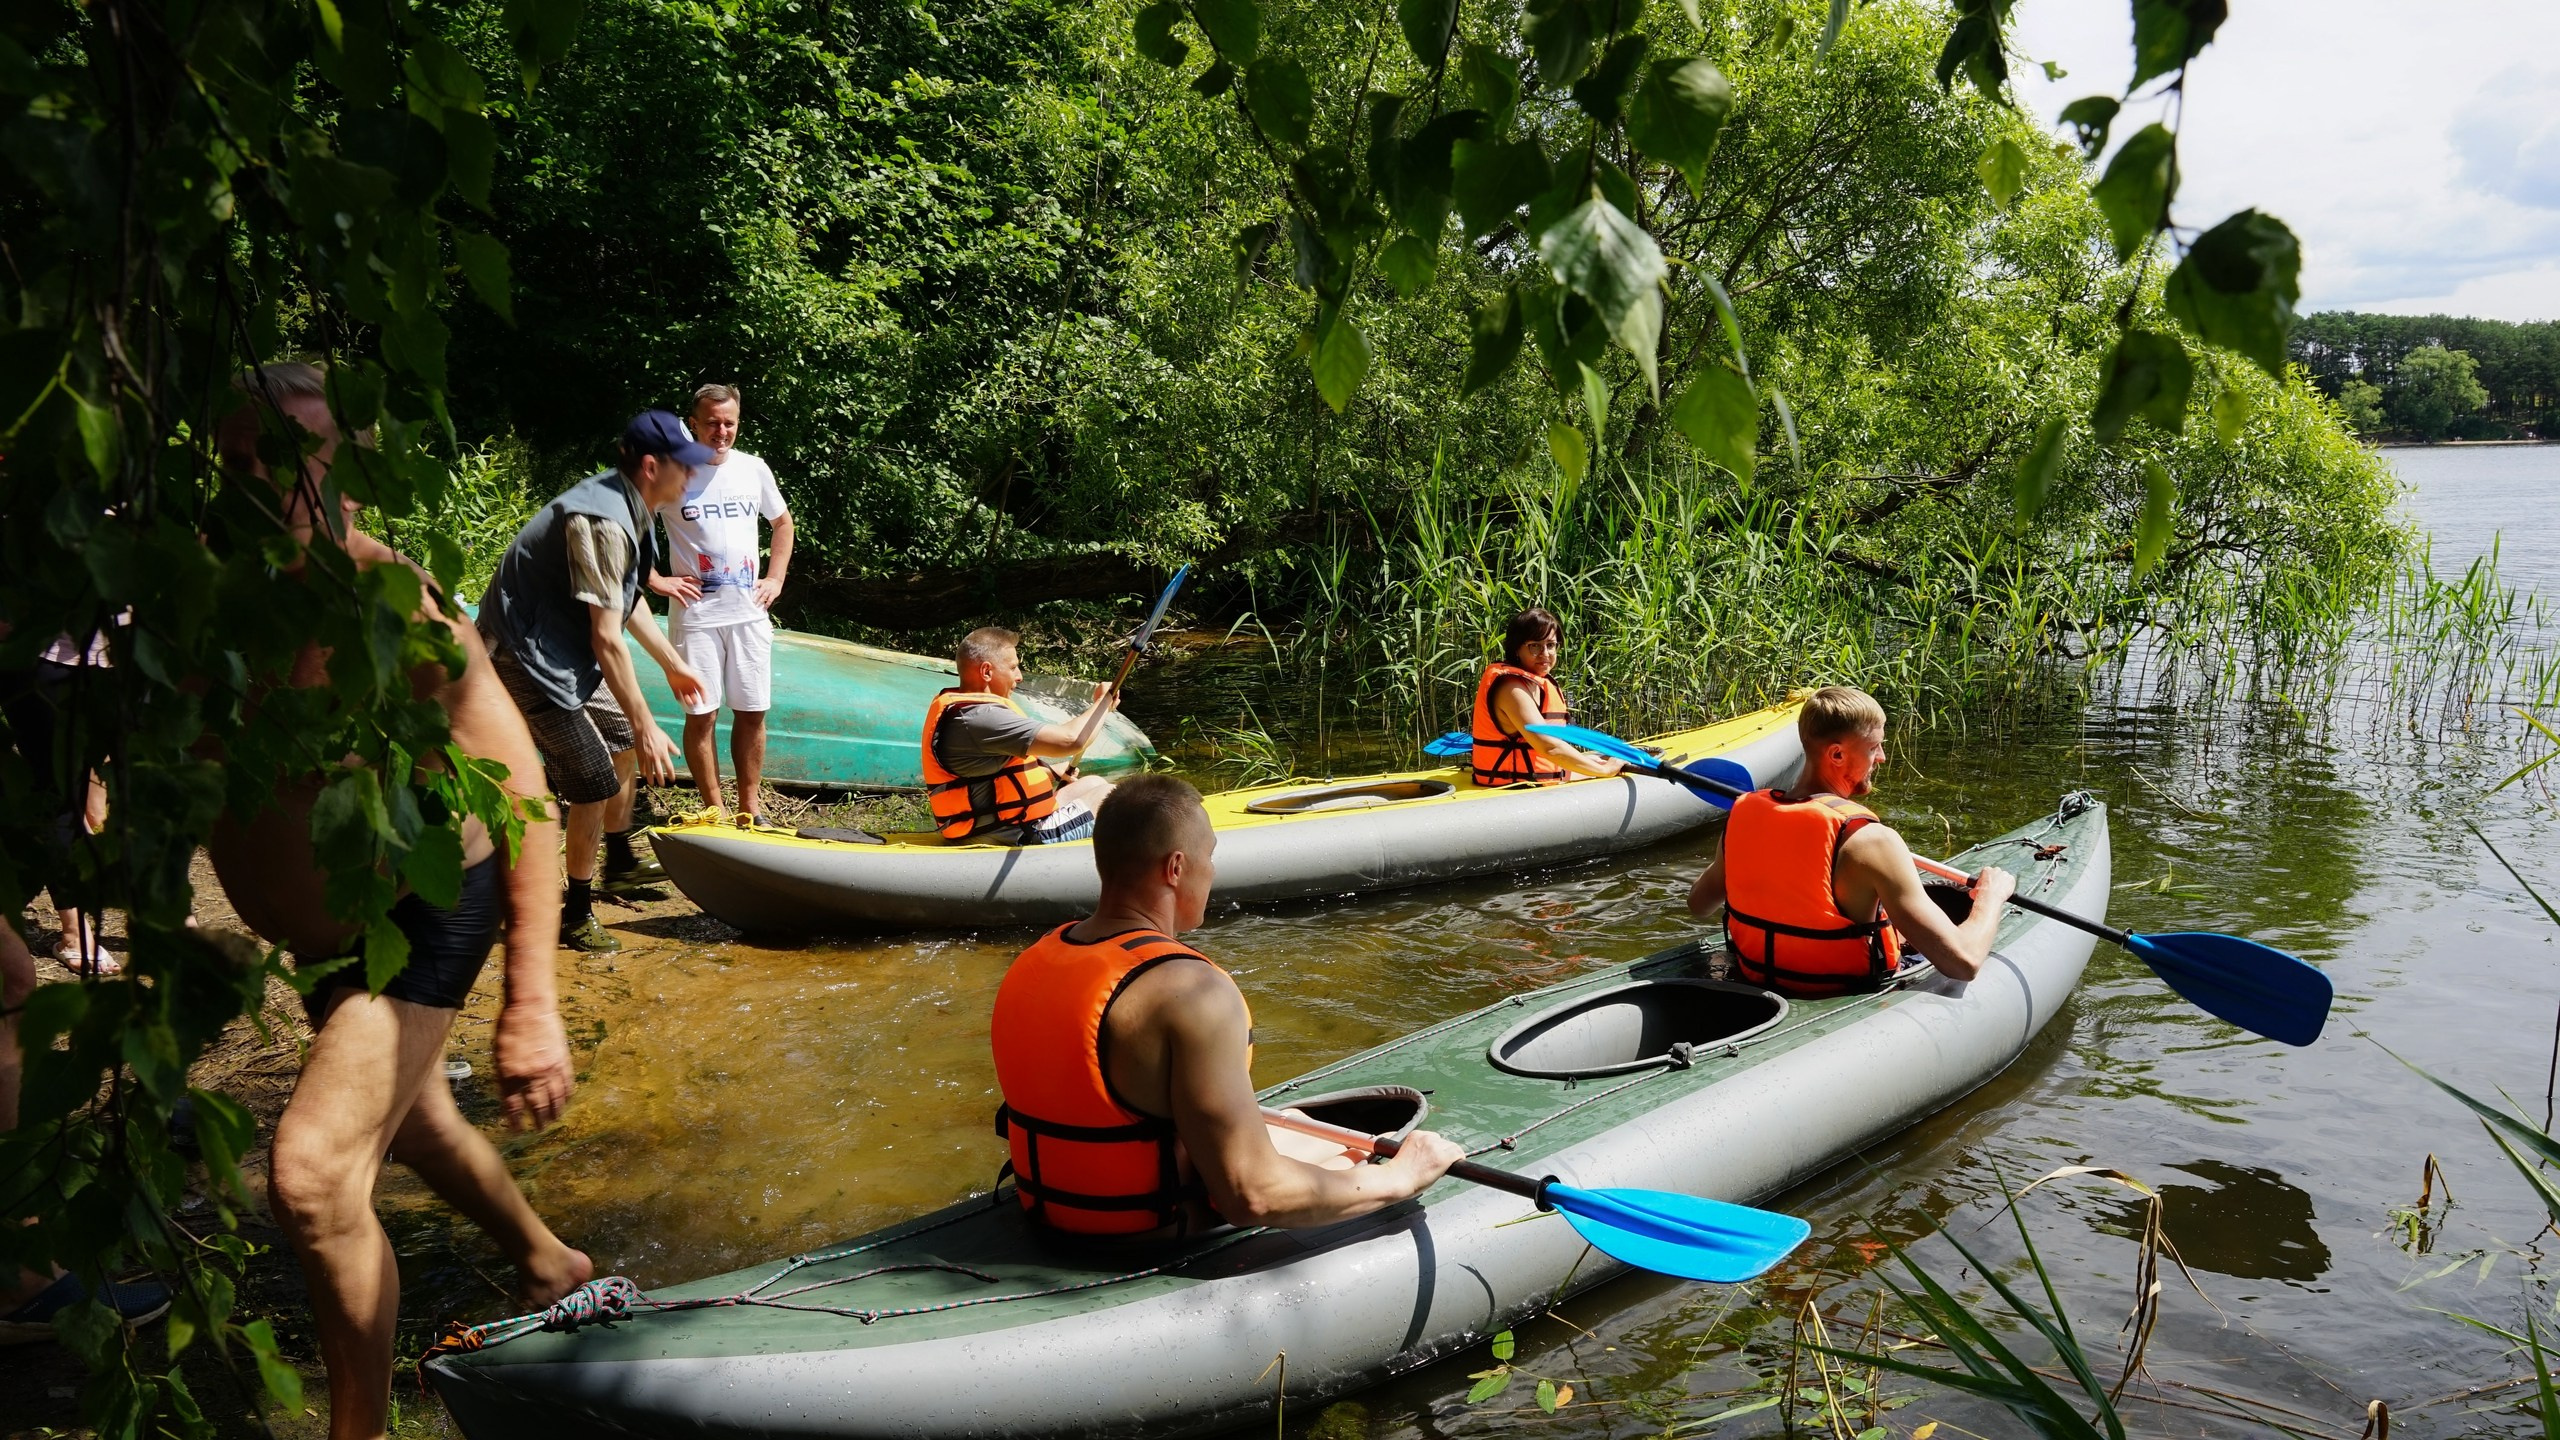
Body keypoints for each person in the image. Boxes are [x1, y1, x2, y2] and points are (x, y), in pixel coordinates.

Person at [195, 363, 588, 1432]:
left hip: (422, 907)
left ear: (350, 476)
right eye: (232, 462)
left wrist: (531, 1005)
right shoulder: (194, 599)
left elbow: (528, 802)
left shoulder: (397, 609)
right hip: (328, 935)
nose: (253, 487)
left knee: (317, 1183)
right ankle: (553, 1263)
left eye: (287, 463)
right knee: (408, 1123)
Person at [989, 776, 1464, 1239]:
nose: (1212, 872)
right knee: (1354, 1159)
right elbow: (1251, 1197)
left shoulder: (1037, 959)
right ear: (1175, 867)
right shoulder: (1192, 989)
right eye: (1209, 856)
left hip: (1052, 1207)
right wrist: (1403, 1178)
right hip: (1146, 1231)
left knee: (1301, 1127)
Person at [477, 413, 710, 951]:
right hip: (523, 655)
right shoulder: (604, 521)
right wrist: (647, 721)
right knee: (591, 779)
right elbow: (607, 639)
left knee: (622, 746)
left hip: (562, 650)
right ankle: (576, 914)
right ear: (652, 466)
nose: (692, 477)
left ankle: (620, 862)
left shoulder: (635, 504)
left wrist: (671, 662)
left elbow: (626, 603)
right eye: (685, 466)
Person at [1685, 686, 2016, 995]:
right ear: (1837, 755)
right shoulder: (1872, 841)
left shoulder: (1744, 815)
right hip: (1840, 989)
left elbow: (1699, 905)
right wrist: (1991, 896)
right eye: (1874, 747)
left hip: (1758, 974)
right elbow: (1963, 964)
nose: (1882, 757)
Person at [646, 384, 794, 827]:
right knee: (703, 714)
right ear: (694, 423)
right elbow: (631, 520)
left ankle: (750, 807)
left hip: (749, 614)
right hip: (696, 617)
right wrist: (655, 579)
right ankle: (715, 807)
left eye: (729, 422)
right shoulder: (673, 472)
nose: (721, 431)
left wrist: (775, 578)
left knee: (752, 711)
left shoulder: (753, 469)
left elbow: (782, 523)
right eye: (712, 422)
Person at [921, 626, 1117, 845]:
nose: (1019, 676)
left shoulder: (971, 712)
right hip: (1013, 834)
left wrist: (1050, 771)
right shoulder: (978, 717)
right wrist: (1104, 702)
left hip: (1013, 822)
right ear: (986, 672)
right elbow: (1071, 741)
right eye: (1013, 667)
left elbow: (990, 777)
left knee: (1093, 783)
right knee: (1113, 796)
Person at [1468, 607, 1624, 786]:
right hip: (1512, 788)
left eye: (1550, 645)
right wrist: (1605, 770)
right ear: (1516, 648)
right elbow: (1549, 747)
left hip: (1533, 780)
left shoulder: (1532, 682)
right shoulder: (1511, 689)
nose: (1545, 654)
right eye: (1535, 646)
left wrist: (1586, 763)